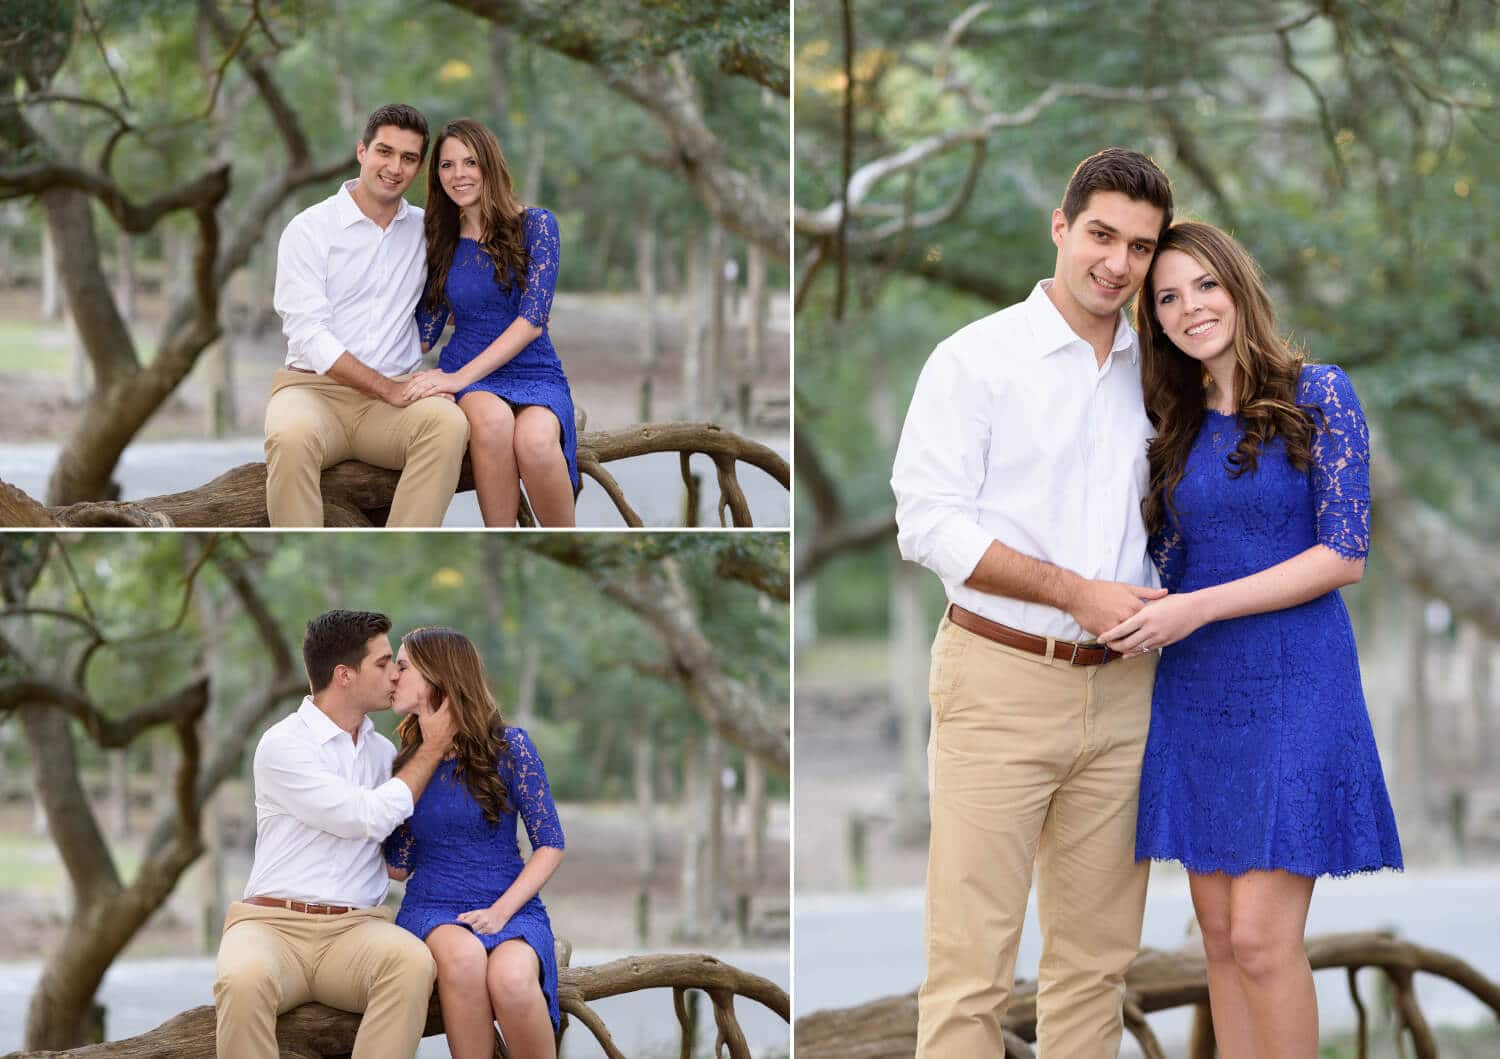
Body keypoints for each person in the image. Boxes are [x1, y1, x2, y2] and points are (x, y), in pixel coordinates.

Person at [891, 147, 1174, 1058]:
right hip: (998, 680)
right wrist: (1070, 591)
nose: (1117, 263)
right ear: (1060, 226)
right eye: (1101, 234)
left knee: (1095, 969)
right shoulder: (975, 360)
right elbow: (927, 522)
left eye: (1140, 246)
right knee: (971, 971)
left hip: (1129, 695)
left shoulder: (1164, 376)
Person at [1100, 221, 1403, 1058]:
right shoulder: (1171, 425)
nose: (1189, 307)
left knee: (1267, 942)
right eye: (1166, 297)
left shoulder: (1322, 393)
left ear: (1237, 285)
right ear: (1153, 320)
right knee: (1224, 944)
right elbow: (1161, 561)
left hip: (1300, 685)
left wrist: (1194, 609)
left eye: (1204, 285)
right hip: (1198, 695)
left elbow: (1343, 554)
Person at [213, 610, 459, 1059]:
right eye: (384, 664)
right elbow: (362, 817)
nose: (395, 675)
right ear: (344, 675)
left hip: (356, 931)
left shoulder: (385, 753)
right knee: (241, 981)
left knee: (411, 963)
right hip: (272, 928)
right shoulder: (283, 745)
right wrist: (434, 747)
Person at [264, 103, 470, 527]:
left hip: (393, 403)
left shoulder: (427, 231)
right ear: (362, 151)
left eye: (408, 158)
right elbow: (308, 333)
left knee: (447, 425)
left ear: (419, 168)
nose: (394, 167)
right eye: (384, 152)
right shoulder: (309, 229)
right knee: (289, 436)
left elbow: (468, 286)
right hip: (313, 392)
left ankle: (402, 553)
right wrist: (387, 390)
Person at [383, 626, 565, 1059]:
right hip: (433, 908)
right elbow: (398, 865)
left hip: (510, 906)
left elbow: (550, 844)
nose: (392, 675)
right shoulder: (404, 761)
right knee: (464, 960)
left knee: (512, 982)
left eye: (403, 666)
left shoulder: (510, 746)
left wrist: (502, 912)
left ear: (437, 676)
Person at [403, 118, 578, 527]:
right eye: (447, 165)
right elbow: (423, 334)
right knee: (496, 422)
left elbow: (532, 321)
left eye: (469, 162)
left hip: (533, 369)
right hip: (470, 375)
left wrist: (453, 378)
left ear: (489, 166)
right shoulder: (440, 239)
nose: (458, 175)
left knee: (536, 443)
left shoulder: (537, 225)